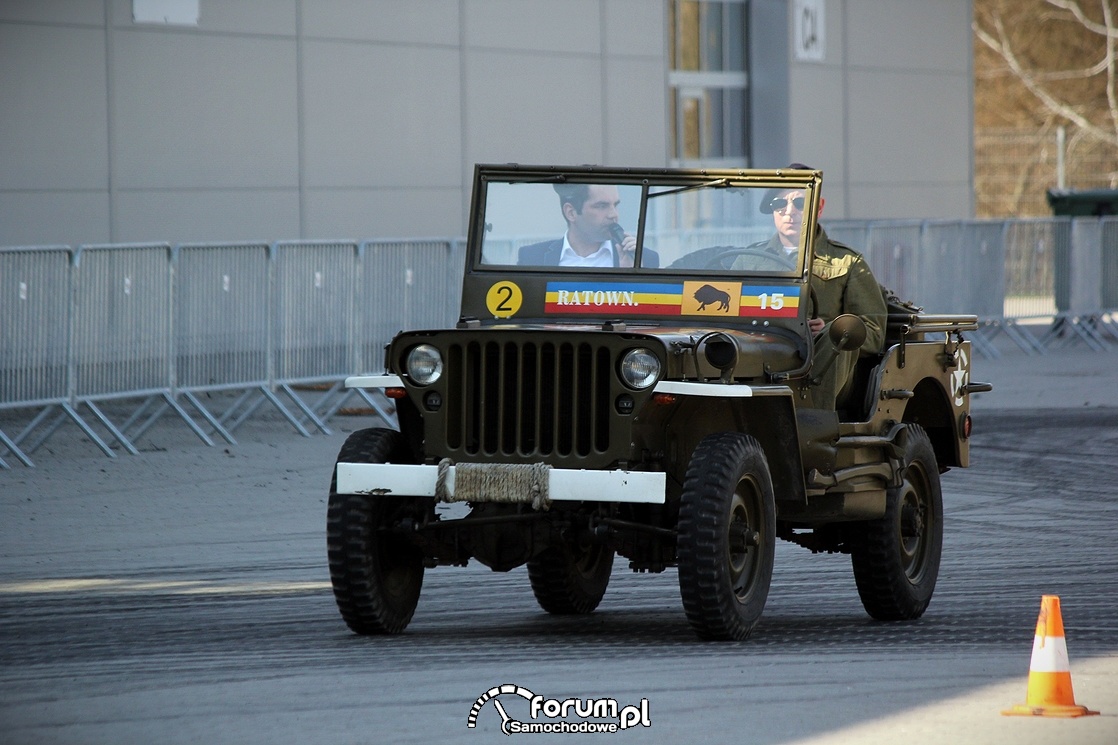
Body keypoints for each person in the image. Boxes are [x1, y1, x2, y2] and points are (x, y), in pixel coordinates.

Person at [744, 164, 887, 410]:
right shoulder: (748, 260)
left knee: (839, 331)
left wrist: (828, 331)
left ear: (818, 208)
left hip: (821, 371)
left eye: (800, 204)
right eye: (780, 204)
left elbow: (874, 333)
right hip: (757, 362)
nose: (789, 212)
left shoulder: (847, 262)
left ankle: (813, 423)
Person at [518, 183, 659, 268]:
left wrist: (632, 274)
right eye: (601, 206)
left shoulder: (644, 259)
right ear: (571, 212)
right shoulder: (532, 258)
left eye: (615, 205)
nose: (613, 214)